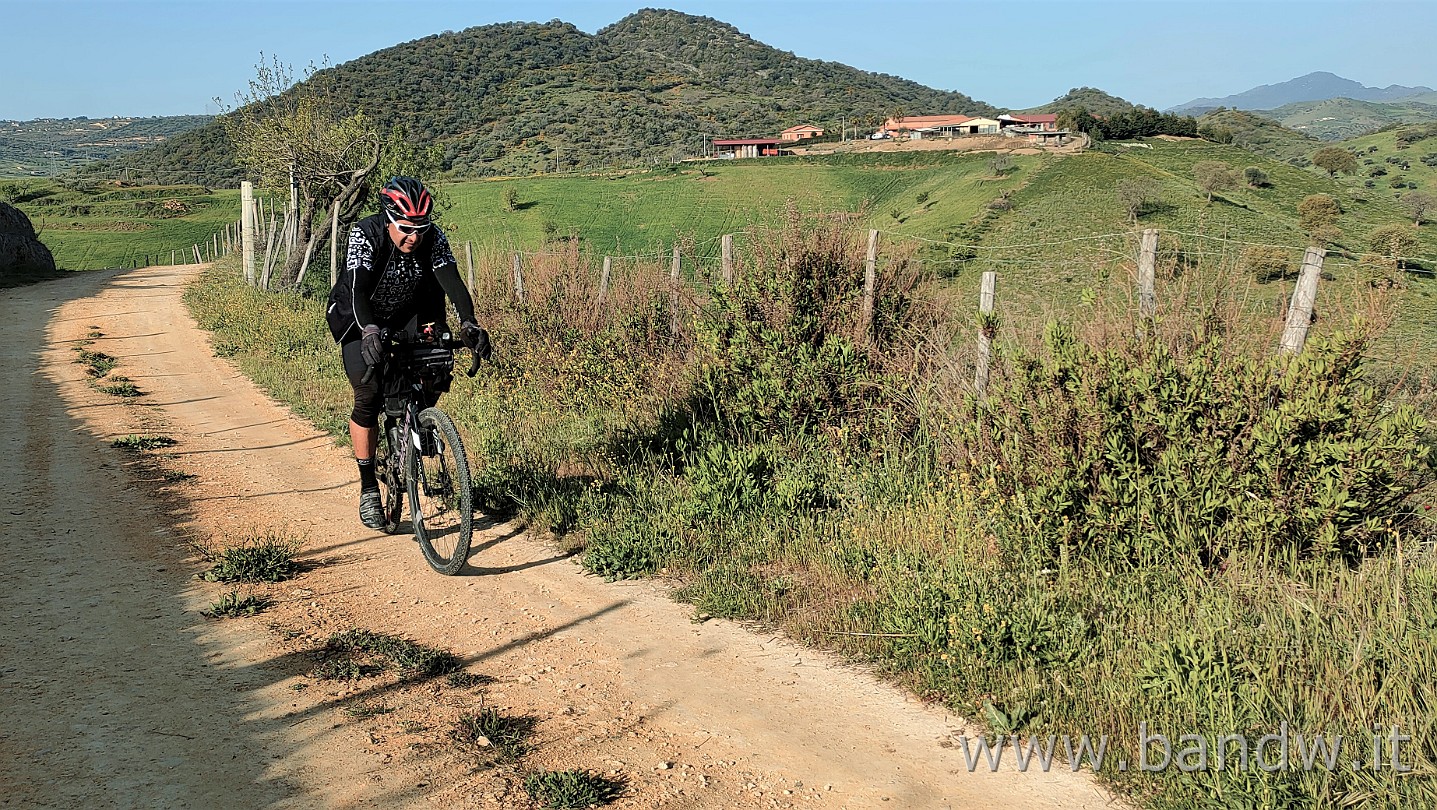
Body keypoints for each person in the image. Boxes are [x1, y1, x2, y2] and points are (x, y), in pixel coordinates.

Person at [325, 176, 491, 529]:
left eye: (421, 228)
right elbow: (357, 289)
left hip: (409, 312)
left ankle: (419, 419)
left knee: (437, 361)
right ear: (388, 219)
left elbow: (452, 282)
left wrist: (469, 322)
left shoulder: (433, 238)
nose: (413, 237)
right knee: (367, 393)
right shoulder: (365, 233)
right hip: (359, 315)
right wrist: (369, 330)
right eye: (405, 228)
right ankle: (369, 487)